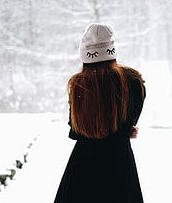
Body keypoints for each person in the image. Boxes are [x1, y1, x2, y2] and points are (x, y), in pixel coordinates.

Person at [54, 23, 146, 203]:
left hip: (82, 170)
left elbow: (75, 131)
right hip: (120, 168)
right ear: (111, 50)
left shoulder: (78, 84)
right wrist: (125, 131)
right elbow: (129, 122)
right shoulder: (132, 81)